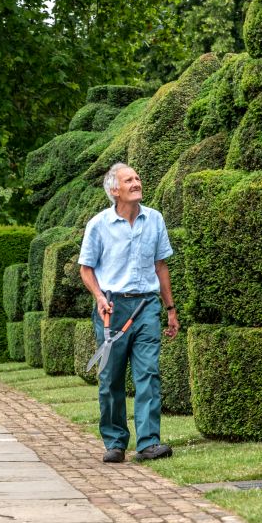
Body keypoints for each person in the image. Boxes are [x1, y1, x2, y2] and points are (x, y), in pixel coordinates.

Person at [78, 162, 180, 463]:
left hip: (147, 305)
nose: (137, 183)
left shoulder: (155, 220)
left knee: (148, 372)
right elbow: (86, 269)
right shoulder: (98, 224)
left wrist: (170, 309)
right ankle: (115, 442)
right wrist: (98, 296)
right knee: (110, 378)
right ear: (114, 190)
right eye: (129, 180)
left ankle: (149, 443)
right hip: (112, 307)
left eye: (137, 178)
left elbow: (161, 266)